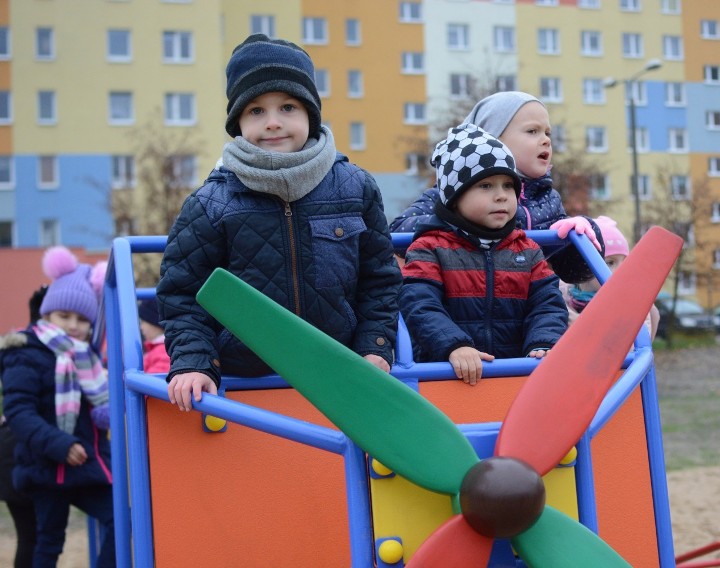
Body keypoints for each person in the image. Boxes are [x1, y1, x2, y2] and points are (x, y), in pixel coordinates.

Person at [157, 34, 401, 411]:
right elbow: (182, 292)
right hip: (246, 390)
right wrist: (194, 361)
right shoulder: (211, 203)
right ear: (238, 122)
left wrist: (375, 346)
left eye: (288, 107)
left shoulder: (355, 187)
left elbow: (379, 279)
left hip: (341, 380)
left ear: (310, 114)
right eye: (256, 111)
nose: (272, 123)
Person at [400, 123, 568, 385]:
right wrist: (455, 346)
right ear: (454, 197)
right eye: (486, 186)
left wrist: (543, 342)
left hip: (515, 377)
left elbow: (547, 305)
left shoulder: (527, 251)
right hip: (446, 378)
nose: (501, 196)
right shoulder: (430, 248)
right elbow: (420, 305)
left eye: (508, 186)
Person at [390, 91, 603, 284]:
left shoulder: (548, 199)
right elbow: (397, 234)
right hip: (465, 299)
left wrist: (582, 233)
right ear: (491, 140)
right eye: (532, 131)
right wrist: (461, 219)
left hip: (526, 304)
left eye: (547, 132)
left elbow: (573, 273)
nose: (546, 140)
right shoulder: (452, 193)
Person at [0, 246, 115, 567]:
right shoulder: (25, 353)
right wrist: (60, 445)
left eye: (82, 319)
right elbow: (20, 412)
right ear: (47, 315)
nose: (73, 326)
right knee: (48, 541)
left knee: (122, 522)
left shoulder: (89, 359)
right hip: (46, 466)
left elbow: (98, 409)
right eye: (64, 316)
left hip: (86, 467)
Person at [0, 286, 45, 568]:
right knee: (32, 535)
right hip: (15, 451)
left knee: (32, 535)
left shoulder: (21, 349)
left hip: (13, 448)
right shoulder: (32, 352)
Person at [561, 216, 660, 339]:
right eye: (610, 262)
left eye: (625, 262)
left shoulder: (634, 307)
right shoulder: (559, 306)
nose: (621, 270)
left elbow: (631, 349)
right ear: (583, 268)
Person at [137, 298, 170, 374]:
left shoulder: (163, 351)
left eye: (143, 322)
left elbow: (151, 381)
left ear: (154, 322)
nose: (141, 327)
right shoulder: (158, 348)